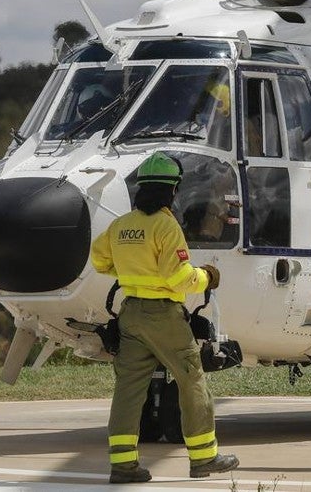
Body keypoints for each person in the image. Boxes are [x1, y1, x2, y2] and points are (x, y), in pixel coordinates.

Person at [90, 151, 240, 483]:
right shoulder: (165, 225)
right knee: (192, 379)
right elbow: (178, 277)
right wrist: (206, 277)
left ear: (141, 187)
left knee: (129, 390)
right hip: (163, 315)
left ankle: (123, 466)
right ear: (172, 190)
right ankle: (204, 457)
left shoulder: (122, 225)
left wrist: (130, 270)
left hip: (130, 314)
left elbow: (100, 260)